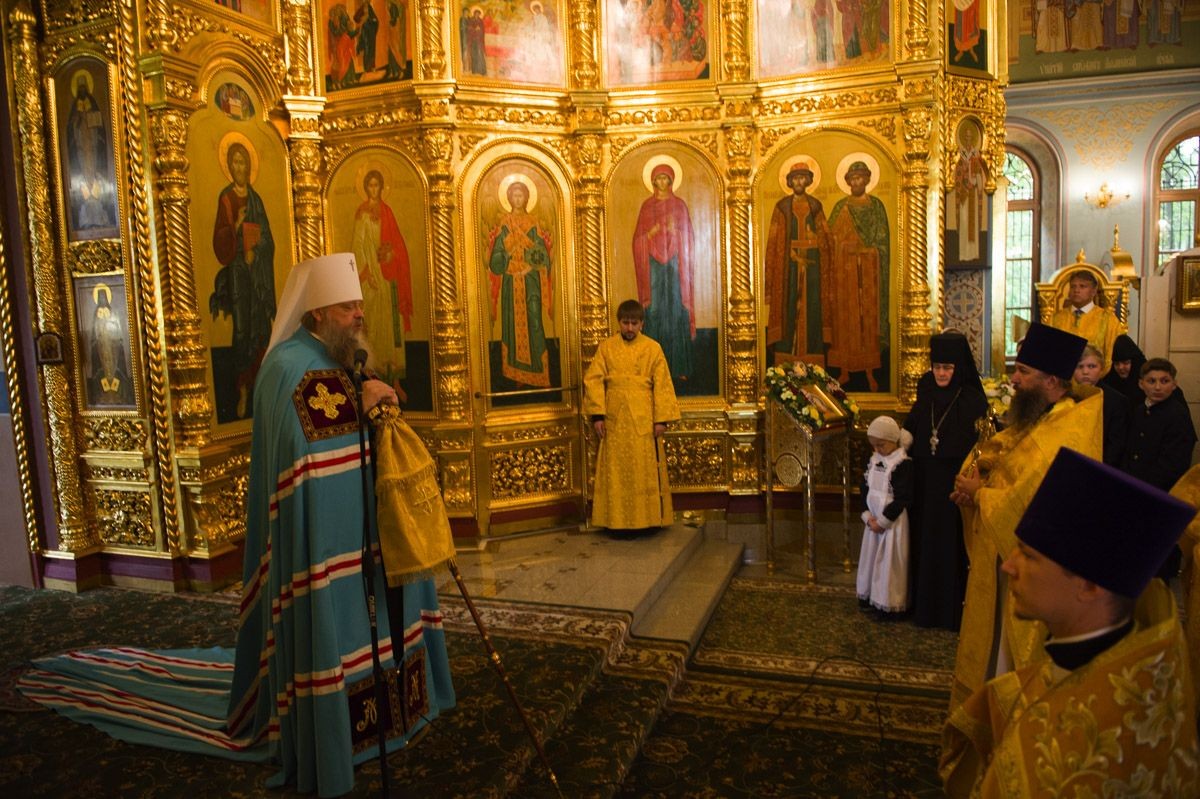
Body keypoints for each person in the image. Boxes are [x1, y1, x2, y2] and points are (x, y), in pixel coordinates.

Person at [18, 254, 456, 798]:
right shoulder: (286, 366)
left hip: (367, 534)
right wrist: (357, 403)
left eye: (360, 305)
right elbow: (303, 452)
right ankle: (338, 735)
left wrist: (374, 399)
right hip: (322, 541)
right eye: (348, 307)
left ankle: (396, 711)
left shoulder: (344, 358)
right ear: (318, 313)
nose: (359, 315)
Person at [941, 448, 1199, 798]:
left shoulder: (1078, 755)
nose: (1009, 566)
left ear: (1089, 586)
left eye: (1028, 555)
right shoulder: (1136, 661)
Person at [948, 322, 1102, 710]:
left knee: (1012, 656)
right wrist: (977, 483)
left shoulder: (1067, 429)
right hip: (1006, 556)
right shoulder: (1043, 417)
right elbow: (1007, 460)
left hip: (1039, 570)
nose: (1013, 380)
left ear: (1051, 381)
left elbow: (1032, 499)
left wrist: (980, 494)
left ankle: (1015, 716)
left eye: (1023, 372)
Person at [903, 332, 988, 630]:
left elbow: (980, 448)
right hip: (925, 482)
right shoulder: (926, 389)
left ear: (958, 368)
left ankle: (952, 612)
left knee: (951, 546)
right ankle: (924, 609)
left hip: (955, 484)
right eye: (937, 366)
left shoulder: (972, 399)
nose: (940, 373)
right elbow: (914, 425)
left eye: (947, 368)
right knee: (925, 542)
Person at [583, 299, 680, 532]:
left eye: (634, 323)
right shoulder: (606, 347)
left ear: (642, 324)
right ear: (619, 322)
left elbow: (663, 384)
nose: (629, 328)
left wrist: (661, 420)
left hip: (643, 420)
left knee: (643, 471)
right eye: (625, 323)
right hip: (615, 420)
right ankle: (615, 522)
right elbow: (593, 380)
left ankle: (647, 522)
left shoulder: (652, 348)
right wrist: (598, 415)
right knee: (616, 472)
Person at [210, 140, 277, 421]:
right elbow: (219, 241)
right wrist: (236, 228)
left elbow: (268, 240)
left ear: (249, 167)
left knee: (260, 330)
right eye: (235, 162)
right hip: (238, 273)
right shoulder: (226, 198)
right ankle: (242, 390)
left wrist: (257, 251)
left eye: (243, 162)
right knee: (241, 331)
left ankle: (262, 388)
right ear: (230, 166)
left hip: (256, 275)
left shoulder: (256, 200)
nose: (240, 168)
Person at [1121, 357, 1198, 580]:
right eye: (1151, 381)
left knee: (1160, 550)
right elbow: (1130, 449)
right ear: (1141, 384)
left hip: (1162, 492)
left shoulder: (1177, 414)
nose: (1157, 387)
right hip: (1136, 489)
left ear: (1174, 384)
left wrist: (1144, 486)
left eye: (1164, 381)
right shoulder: (1139, 411)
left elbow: (1173, 463)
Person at [826, 160, 890, 391]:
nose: (856, 182)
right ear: (848, 182)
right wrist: (841, 246)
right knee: (845, 321)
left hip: (868, 273)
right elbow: (829, 239)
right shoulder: (841, 207)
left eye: (859, 177)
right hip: (845, 276)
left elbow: (882, 242)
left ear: (867, 179)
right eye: (852, 179)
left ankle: (870, 371)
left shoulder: (876, 206)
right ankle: (844, 370)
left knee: (867, 322)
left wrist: (866, 250)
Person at [633, 162, 696, 385]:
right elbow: (637, 241)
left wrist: (674, 231)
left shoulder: (679, 206)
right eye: (658, 178)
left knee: (676, 310)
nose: (662, 182)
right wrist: (650, 234)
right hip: (654, 268)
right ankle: (652, 368)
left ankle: (679, 366)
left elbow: (689, 239)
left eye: (665, 178)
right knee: (655, 310)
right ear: (653, 181)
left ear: (671, 180)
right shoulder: (646, 207)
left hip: (676, 266)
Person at [764, 160, 832, 366]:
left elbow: (826, 240)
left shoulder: (815, 206)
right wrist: (792, 256)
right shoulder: (782, 207)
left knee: (812, 307)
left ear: (808, 181)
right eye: (795, 178)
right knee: (789, 306)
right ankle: (786, 358)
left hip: (812, 267)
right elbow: (774, 242)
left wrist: (815, 239)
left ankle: (812, 359)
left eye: (802, 178)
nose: (799, 182)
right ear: (790, 182)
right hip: (788, 268)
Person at [487, 178, 553, 388]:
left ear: (526, 198)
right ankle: (516, 374)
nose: (517, 199)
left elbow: (542, 254)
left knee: (534, 321)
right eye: (514, 195)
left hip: (530, 280)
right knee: (511, 324)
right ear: (509, 198)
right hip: (511, 280)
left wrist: (529, 267)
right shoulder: (504, 225)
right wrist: (507, 252)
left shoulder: (533, 223)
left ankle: (538, 372)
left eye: (521, 195)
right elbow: (495, 260)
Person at [352, 168, 412, 383]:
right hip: (371, 276)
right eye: (370, 185)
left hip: (388, 277)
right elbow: (358, 246)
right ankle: (372, 375)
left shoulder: (387, 212)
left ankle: (394, 377)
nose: (373, 189)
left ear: (381, 187)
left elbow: (398, 244)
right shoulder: (362, 214)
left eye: (377, 185)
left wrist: (392, 254)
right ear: (366, 187)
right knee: (374, 324)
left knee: (390, 324)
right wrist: (367, 272)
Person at [856, 416, 913, 617]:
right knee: (871, 560)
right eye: (874, 445)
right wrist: (867, 516)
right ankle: (869, 596)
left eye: (881, 445)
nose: (877, 449)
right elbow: (865, 489)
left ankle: (887, 602)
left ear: (893, 440)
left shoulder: (902, 463)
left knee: (888, 564)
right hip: (873, 523)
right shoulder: (873, 461)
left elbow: (903, 498)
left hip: (892, 524)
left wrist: (883, 521)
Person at [1048, 268, 1120, 375]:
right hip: (1062, 378)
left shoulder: (1108, 319)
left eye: (1082, 286)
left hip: (1096, 378)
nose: (1076, 290)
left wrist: (1096, 376)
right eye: (1073, 286)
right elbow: (1050, 353)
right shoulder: (1055, 319)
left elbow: (1111, 355)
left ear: (1093, 291)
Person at [1073, 344, 1128, 466]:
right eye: (1079, 366)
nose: (1085, 372)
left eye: (1092, 366)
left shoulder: (1116, 400)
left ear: (1102, 369)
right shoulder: (1065, 397)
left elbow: (1116, 443)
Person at [1099, 332, 1146, 404]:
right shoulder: (1108, 384)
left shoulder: (1147, 385)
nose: (1120, 367)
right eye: (1116, 364)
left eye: (1126, 363)